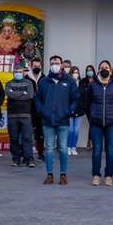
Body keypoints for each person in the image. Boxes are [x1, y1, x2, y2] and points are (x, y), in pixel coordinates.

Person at [35, 55, 79, 185]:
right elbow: (37, 99)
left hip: (63, 120)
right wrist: (42, 111)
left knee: (63, 148)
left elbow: (75, 98)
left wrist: (69, 111)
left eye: (57, 63)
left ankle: (63, 175)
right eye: (52, 63)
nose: (55, 65)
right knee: (48, 148)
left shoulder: (69, 81)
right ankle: (49, 174)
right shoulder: (43, 82)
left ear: (61, 65)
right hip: (48, 121)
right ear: (49, 65)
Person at [81, 60, 113, 186]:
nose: (105, 69)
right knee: (97, 150)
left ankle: (109, 175)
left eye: (107, 67)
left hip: (112, 123)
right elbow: (86, 103)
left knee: (110, 150)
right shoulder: (93, 85)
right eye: (102, 67)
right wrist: (92, 116)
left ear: (110, 70)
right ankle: (96, 175)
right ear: (98, 70)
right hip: (96, 123)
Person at [5, 67, 37, 168]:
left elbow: (30, 95)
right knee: (14, 138)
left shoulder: (29, 83)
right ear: (13, 73)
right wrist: (22, 93)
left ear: (23, 73)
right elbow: (9, 94)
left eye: (20, 72)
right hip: (12, 115)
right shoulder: (9, 83)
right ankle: (16, 159)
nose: (18, 73)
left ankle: (29, 159)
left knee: (27, 138)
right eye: (16, 72)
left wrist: (15, 94)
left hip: (26, 115)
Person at [29, 58, 45, 162]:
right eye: (35, 66)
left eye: (39, 67)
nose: (37, 68)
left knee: (41, 133)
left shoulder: (44, 78)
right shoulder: (27, 78)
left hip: (41, 110)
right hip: (29, 110)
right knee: (28, 133)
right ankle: (28, 154)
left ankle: (41, 153)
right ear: (31, 66)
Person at [67, 66, 83, 156]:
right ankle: (68, 147)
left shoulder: (81, 83)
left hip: (79, 110)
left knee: (76, 130)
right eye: (74, 72)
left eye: (77, 72)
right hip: (70, 109)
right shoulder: (68, 83)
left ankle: (74, 147)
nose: (76, 74)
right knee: (70, 130)